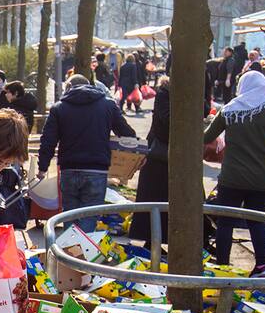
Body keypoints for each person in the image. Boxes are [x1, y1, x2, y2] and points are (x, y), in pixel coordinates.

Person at [203, 69, 265, 277]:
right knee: (257, 219)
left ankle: (223, 266)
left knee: (226, 221)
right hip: (262, 178)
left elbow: (207, 137)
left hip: (232, 176)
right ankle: (262, 266)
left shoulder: (229, 110)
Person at [37, 75, 138, 233]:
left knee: (69, 214)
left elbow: (48, 141)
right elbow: (127, 134)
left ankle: (69, 252)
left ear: (68, 87)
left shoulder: (59, 108)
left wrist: (42, 168)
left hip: (68, 169)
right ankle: (84, 254)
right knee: (89, 216)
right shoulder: (107, 105)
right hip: (96, 169)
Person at [129, 76, 171, 248]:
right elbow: (167, 120)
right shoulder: (164, 94)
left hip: (166, 155)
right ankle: (152, 241)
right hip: (159, 156)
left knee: (163, 198)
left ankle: (156, 241)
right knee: (155, 197)